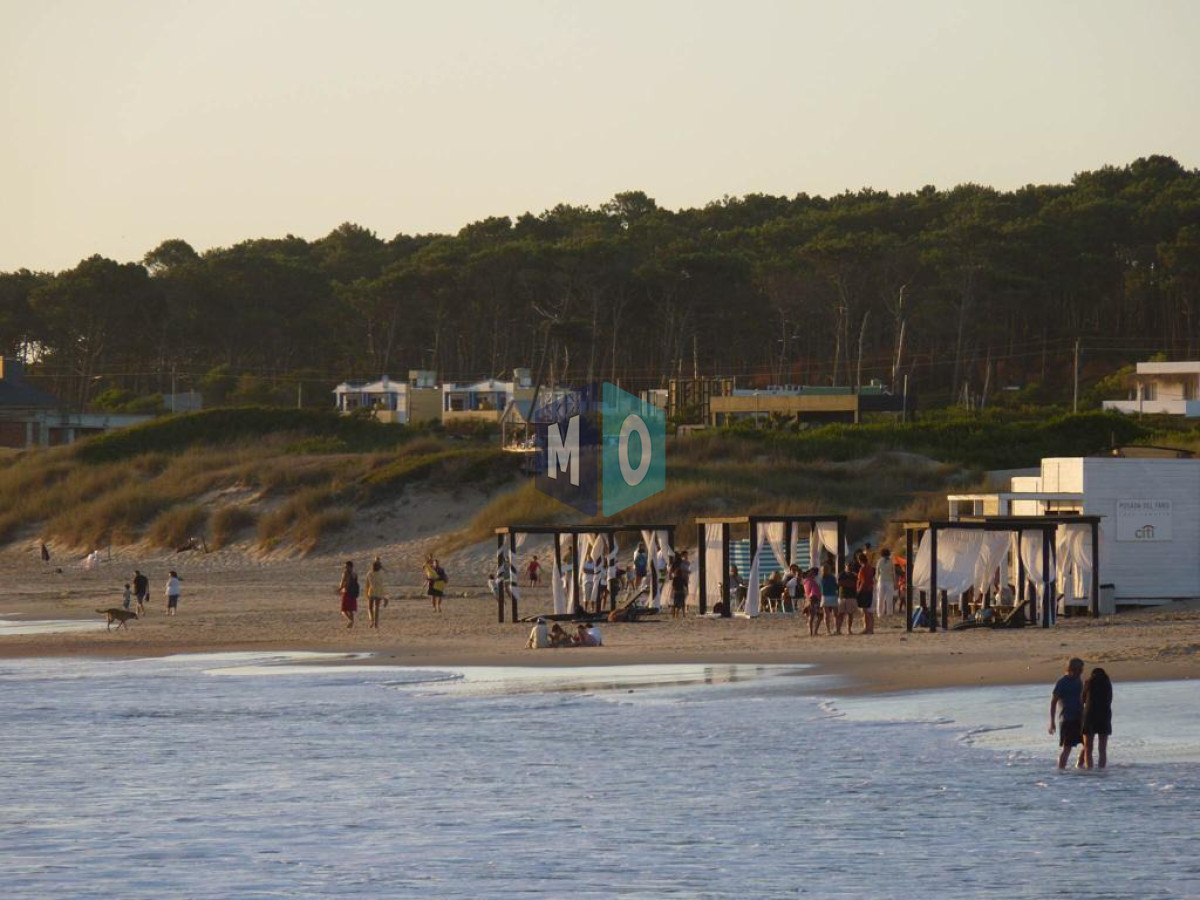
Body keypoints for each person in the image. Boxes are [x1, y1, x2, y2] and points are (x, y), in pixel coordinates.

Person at [1049, 657, 1085, 769]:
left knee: (1087, 745)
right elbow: (1053, 702)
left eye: (1081, 669)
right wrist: (1052, 722)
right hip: (1067, 719)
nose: (1080, 672)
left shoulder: (1079, 681)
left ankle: (1079, 764)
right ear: (1071, 669)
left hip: (1080, 718)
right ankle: (1061, 771)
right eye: (1078, 669)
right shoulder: (1062, 682)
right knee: (1067, 748)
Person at [1081, 667, 1113, 769]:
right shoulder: (1107, 684)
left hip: (1089, 715)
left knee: (1088, 748)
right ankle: (1101, 770)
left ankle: (1089, 768)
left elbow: (1083, 699)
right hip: (1104, 715)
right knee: (1102, 749)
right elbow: (1110, 699)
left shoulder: (1088, 682)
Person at [856, 551, 876, 634]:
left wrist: (859, 590)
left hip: (864, 590)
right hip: (870, 590)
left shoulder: (863, 568)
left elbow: (863, 581)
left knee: (865, 611)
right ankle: (870, 628)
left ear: (860, 560)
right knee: (869, 611)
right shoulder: (870, 567)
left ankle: (867, 628)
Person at [364, 558, 387, 629]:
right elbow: (367, 584)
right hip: (376, 592)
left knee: (372, 608)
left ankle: (374, 622)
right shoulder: (373, 573)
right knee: (374, 608)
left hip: (374, 592)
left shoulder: (371, 573)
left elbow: (367, 585)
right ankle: (374, 622)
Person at [837, 562, 858, 635]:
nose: (849, 567)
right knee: (840, 614)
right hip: (842, 596)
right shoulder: (842, 574)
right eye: (848, 566)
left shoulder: (854, 575)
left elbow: (854, 584)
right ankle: (838, 629)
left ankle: (849, 629)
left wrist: (846, 584)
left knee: (850, 614)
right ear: (845, 566)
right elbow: (839, 583)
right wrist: (848, 584)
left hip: (851, 596)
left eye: (850, 566)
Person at [874, 548, 896, 617]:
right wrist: (894, 581)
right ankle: (890, 612)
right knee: (889, 598)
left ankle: (880, 613)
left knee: (880, 598)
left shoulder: (879, 561)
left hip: (881, 580)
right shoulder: (891, 561)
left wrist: (877, 579)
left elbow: (877, 572)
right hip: (889, 581)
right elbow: (893, 572)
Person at [338, 560, 359, 628]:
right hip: (353, 593)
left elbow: (343, 582)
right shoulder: (355, 574)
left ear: (349, 566)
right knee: (350, 610)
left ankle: (350, 621)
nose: (345, 568)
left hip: (347, 592)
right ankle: (351, 623)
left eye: (346, 567)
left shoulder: (345, 573)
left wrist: (340, 589)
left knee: (343, 610)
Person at [819, 563, 839, 635]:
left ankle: (828, 631)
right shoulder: (832, 577)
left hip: (825, 597)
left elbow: (820, 588)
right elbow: (836, 586)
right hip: (833, 596)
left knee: (826, 615)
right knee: (835, 614)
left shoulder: (821, 578)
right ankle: (836, 629)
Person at [669, 552, 689, 619]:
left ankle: (674, 614)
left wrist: (672, 591)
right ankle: (684, 614)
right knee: (682, 602)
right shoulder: (682, 562)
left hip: (676, 590)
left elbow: (670, 572)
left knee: (675, 603)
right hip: (682, 590)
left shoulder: (674, 563)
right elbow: (685, 585)